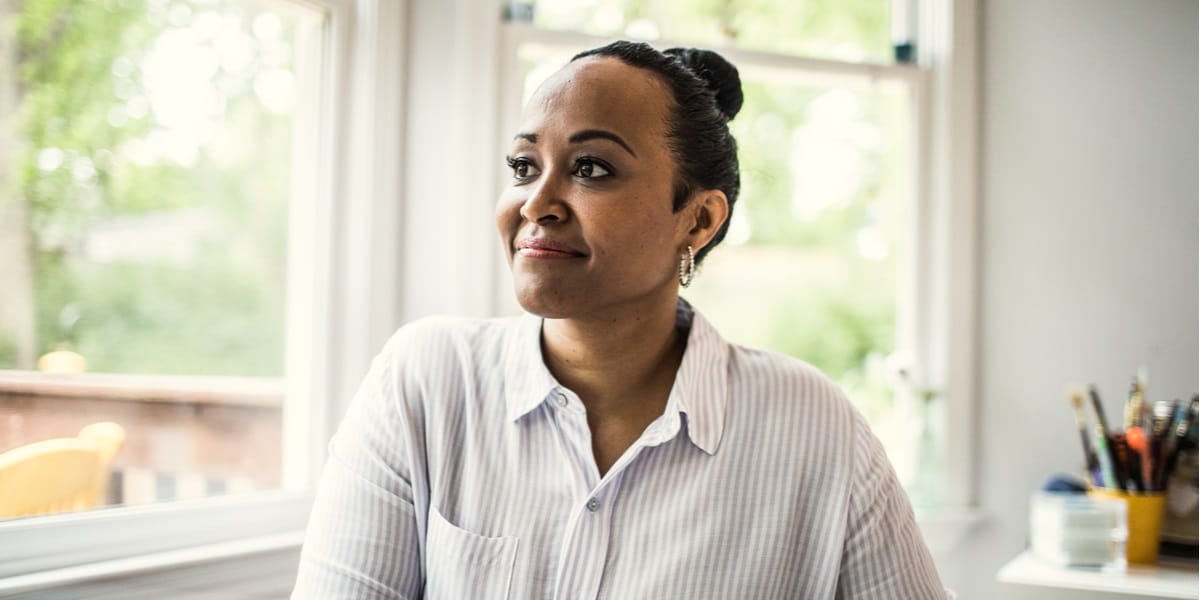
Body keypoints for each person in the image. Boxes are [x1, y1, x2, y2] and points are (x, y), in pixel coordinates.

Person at [292, 40, 954, 599]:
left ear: (697, 219)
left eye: (591, 168)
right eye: (524, 166)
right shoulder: (427, 382)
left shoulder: (816, 429)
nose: (537, 202)